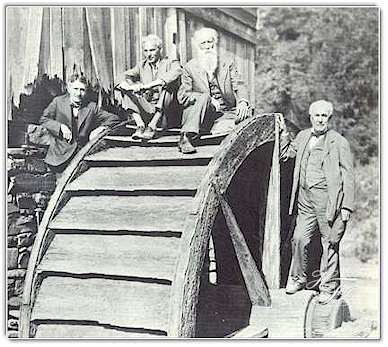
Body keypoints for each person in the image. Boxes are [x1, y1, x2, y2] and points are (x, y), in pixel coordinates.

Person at [277, 100, 355, 304]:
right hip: (304, 200)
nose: (320, 119)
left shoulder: (338, 142)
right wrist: (284, 134)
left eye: (324, 116)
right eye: (317, 115)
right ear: (310, 117)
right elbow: (286, 156)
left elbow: (348, 176)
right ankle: (298, 278)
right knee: (299, 238)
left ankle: (329, 287)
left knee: (330, 243)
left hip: (328, 201)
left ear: (329, 118)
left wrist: (347, 206)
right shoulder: (302, 136)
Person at [177, 27, 252, 154]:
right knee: (204, 96)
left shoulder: (227, 63)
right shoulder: (189, 67)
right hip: (201, 115)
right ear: (197, 46)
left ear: (214, 43)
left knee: (246, 122)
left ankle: (221, 128)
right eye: (203, 43)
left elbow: (239, 84)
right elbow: (183, 96)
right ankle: (186, 137)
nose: (207, 46)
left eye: (209, 42)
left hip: (226, 113)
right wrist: (206, 98)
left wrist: (243, 102)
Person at [40, 73, 120, 174]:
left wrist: (101, 128)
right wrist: (60, 127)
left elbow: (114, 118)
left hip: (81, 155)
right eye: (75, 89)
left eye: (82, 90)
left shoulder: (91, 107)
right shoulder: (58, 102)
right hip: (60, 155)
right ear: (69, 88)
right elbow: (44, 120)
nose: (78, 93)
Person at [116, 34, 182, 140]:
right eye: (145, 51)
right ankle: (140, 126)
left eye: (152, 50)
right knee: (126, 89)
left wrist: (146, 86)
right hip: (147, 108)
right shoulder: (141, 65)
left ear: (160, 50)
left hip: (166, 113)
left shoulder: (170, 63)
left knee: (168, 87)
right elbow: (122, 76)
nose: (148, 54)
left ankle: (152, 126)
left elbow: (177, 72)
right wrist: (132, 85)